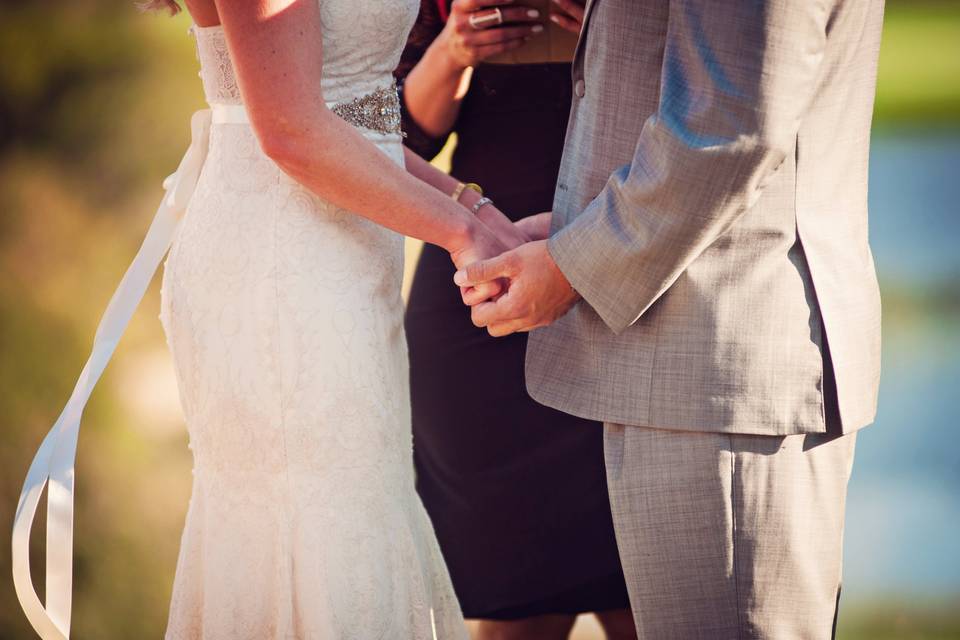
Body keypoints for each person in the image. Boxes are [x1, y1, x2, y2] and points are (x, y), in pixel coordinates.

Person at [12, 0, 536, 637]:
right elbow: (291, 132)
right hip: (280, 272)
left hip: (340, 261)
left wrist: (477, 214)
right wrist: (459, 235)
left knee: (353, 514)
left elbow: (354, 124)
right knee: (314, 521)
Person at [458, 0, 885, 637]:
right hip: (698, 357)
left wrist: (573, 264)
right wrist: (577, 231)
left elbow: (731, 119)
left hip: (723, 364)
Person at [396, 1, 634, 638]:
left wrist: (621, 42)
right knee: (513, 611)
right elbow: (399, 138)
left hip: (635, 279)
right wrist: (453, 48)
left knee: (650, 603)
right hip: (485, 289)